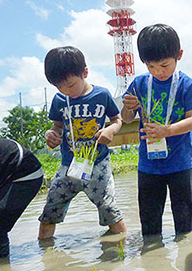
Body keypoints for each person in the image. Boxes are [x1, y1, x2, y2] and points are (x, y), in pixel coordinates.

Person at [121, 24, 192, 236]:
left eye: (164, 65)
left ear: (179, 56)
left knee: (186, 230)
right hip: (148, 166)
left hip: (181, 164)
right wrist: (128, 107)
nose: (158, 72)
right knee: (149, 228)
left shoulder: (186, 84)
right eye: (151, 66)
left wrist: (166, 131)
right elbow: (126, 118)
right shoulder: (139, 84)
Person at [38, 46, 126, 239]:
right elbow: (57, 126)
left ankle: (122, 247)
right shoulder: (60, 99)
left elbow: (117, 120)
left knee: (109, 210)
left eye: (70, 85)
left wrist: (110, 130)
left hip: (98, 165)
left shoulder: (102, 95)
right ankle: (46, 254)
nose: (65, 91)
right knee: (49, 214)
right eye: (59, 87)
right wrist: (51, 134)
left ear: (85, 73)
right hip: (68, 166)